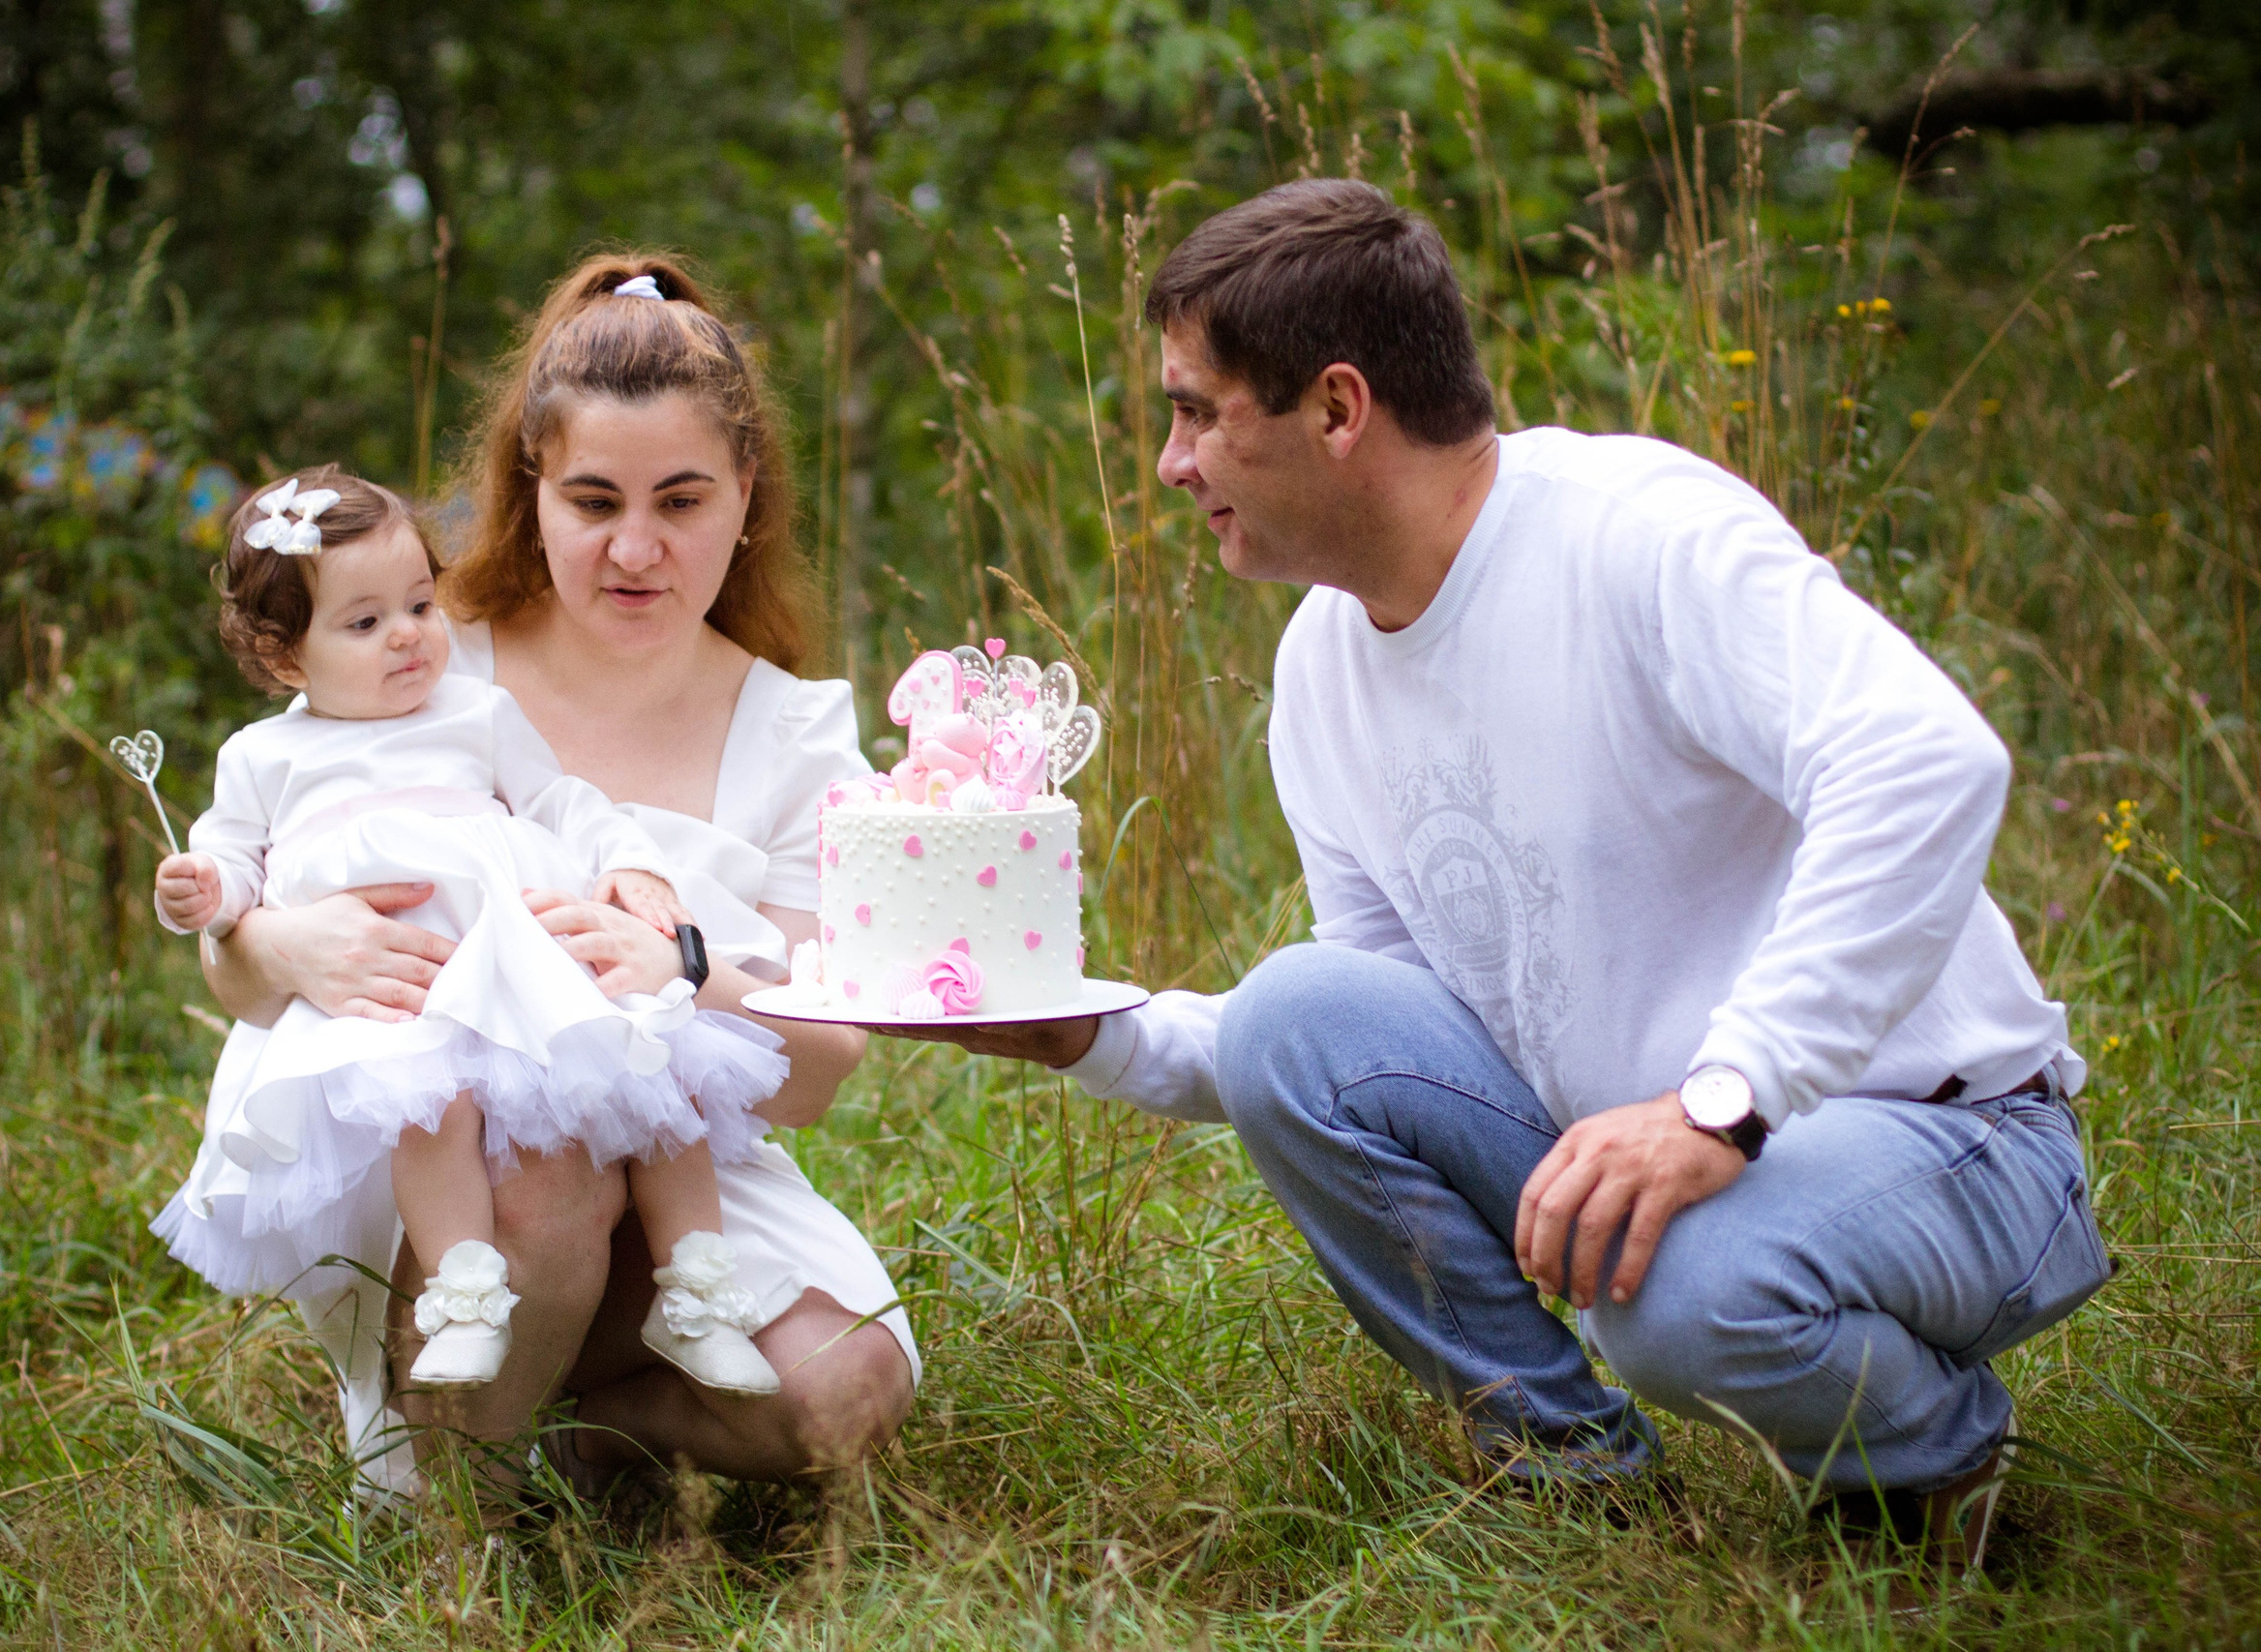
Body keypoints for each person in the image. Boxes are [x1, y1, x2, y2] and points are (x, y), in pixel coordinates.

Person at [901, 179, 2109, 1571]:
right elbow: (1385, 1032)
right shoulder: (1322, 665)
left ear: (1338, 408)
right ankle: (1571, 1474)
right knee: (1306, 1004)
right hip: (1673, 1152)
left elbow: (1930, 762)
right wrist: (1089, 1032)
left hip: (1953, 1138)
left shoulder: (1637, 529)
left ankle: (1937, 1456)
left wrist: (1726, 1097)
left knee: (1685, 1302)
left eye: (1195, 409)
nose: (1171, 462)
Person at [199, 258, 916, 1493]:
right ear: (529, 489)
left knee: (843, 1389)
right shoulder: (423, 653)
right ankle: (448, 1525)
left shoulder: (797, 733)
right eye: (592, 500)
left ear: (748, 495)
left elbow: (819, 1072)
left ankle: (568, 1446)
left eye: (682, 500)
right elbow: (247, 895)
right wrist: (271, 945)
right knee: (547, 1166)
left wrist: (684, 971)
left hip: (683, 1160)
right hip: (448, 1150)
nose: (635, 549)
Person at [150, 466, 791, 1401]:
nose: (408, 634)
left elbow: (563, 799)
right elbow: (234, 867)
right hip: (397, 991)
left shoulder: (475, 714)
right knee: (428, 1108)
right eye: (365, 624)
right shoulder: (263, 755)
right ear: (286, 657)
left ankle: (699, 1288)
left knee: (650, 1071)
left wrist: (628, 859)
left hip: (515, 963)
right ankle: (463, 1297)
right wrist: (204, 889)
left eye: (419, 602)